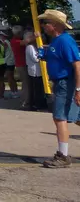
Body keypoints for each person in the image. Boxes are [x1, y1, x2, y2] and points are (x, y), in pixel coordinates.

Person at [36, 10, 80, 168]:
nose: (43, 25)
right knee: (72, 117)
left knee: (60, 118)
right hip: (60, 83)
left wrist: (78, 89)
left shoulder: (65, 41)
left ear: (54, 25)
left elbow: (77, 65)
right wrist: (45, 55)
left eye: (46, 22)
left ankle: (63, 155)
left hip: (65, 83)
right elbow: (57, 57)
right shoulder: (56, 41)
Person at [24, 30, 47, 112]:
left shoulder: (34, 47)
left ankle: (41, 103)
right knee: (37, 90)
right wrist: (41, 53)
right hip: (35, 72)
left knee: (40, 89)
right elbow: (36, 59)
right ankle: (37, 105)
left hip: (39, 71)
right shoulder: (30, 47)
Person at [2, 31, 19, 98]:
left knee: (9, 77)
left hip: (8, 61)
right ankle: (15, 91)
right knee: (12, 77)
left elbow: (3, 51)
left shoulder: (5, 42)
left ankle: (13, 92)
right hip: (12, 60)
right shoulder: (10, 41)